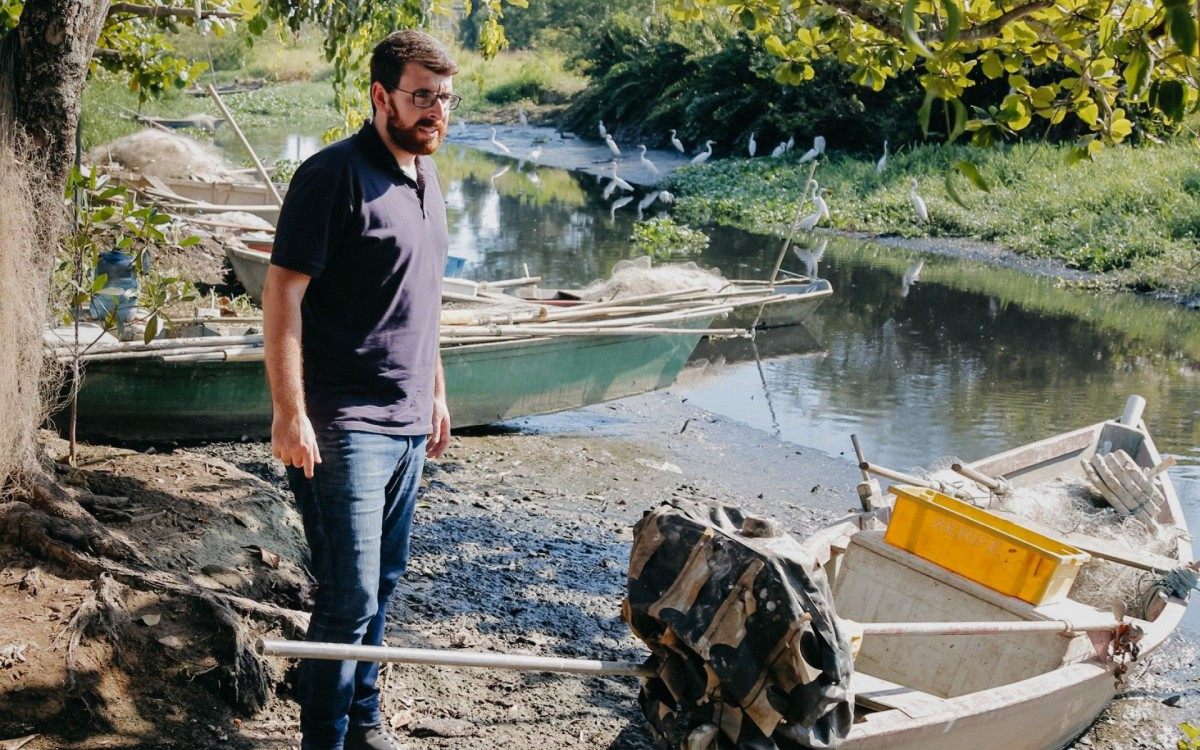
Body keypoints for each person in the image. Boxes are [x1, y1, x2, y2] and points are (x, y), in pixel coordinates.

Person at [262, 29, 458, 750]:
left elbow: (425, 298)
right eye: (420, 96)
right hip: (343, 423)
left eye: (443, 97)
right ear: (381, 96)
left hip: (407, 422)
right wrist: (290, 413)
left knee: (386, 587)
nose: (435, 111)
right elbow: (282, 293)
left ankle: (366, 723)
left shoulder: (426, 177)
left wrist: (435, 392)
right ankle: (325, 739)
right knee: (348, 599)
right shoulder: (332, 176)